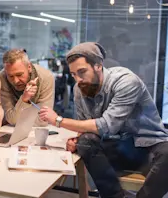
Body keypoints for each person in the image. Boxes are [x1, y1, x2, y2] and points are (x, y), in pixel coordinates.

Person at [38, 42, 168, 198]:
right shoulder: (79, 89)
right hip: (117, 147)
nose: (78, 79)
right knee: (85, 141)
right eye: (73, 74)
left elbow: (106, 126)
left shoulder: (126, 81)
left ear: (98, 66)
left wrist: (58, 120)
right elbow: (85, 128)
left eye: (82, 72)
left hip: (147, 147)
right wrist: (76, 139)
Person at [0, 48, 55, 126]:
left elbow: (43, 120)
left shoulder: (46, 77)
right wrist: (24, 99)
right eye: (10, 76)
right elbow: (12, 119)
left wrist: (18, 118)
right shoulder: (2, 78)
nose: (15, 81)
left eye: (19, 75)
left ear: (29, 67)